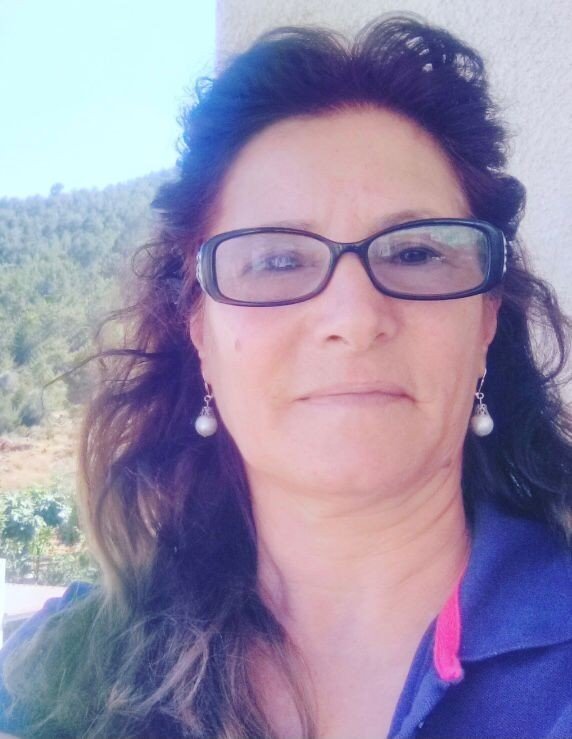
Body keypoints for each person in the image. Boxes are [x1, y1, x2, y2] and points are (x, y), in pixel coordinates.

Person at [1, 14, 572, 739]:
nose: (354, 317)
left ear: (486, 319)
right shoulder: (55, 679)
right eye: (276, 260)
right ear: (200, 333)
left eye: (416, 253)